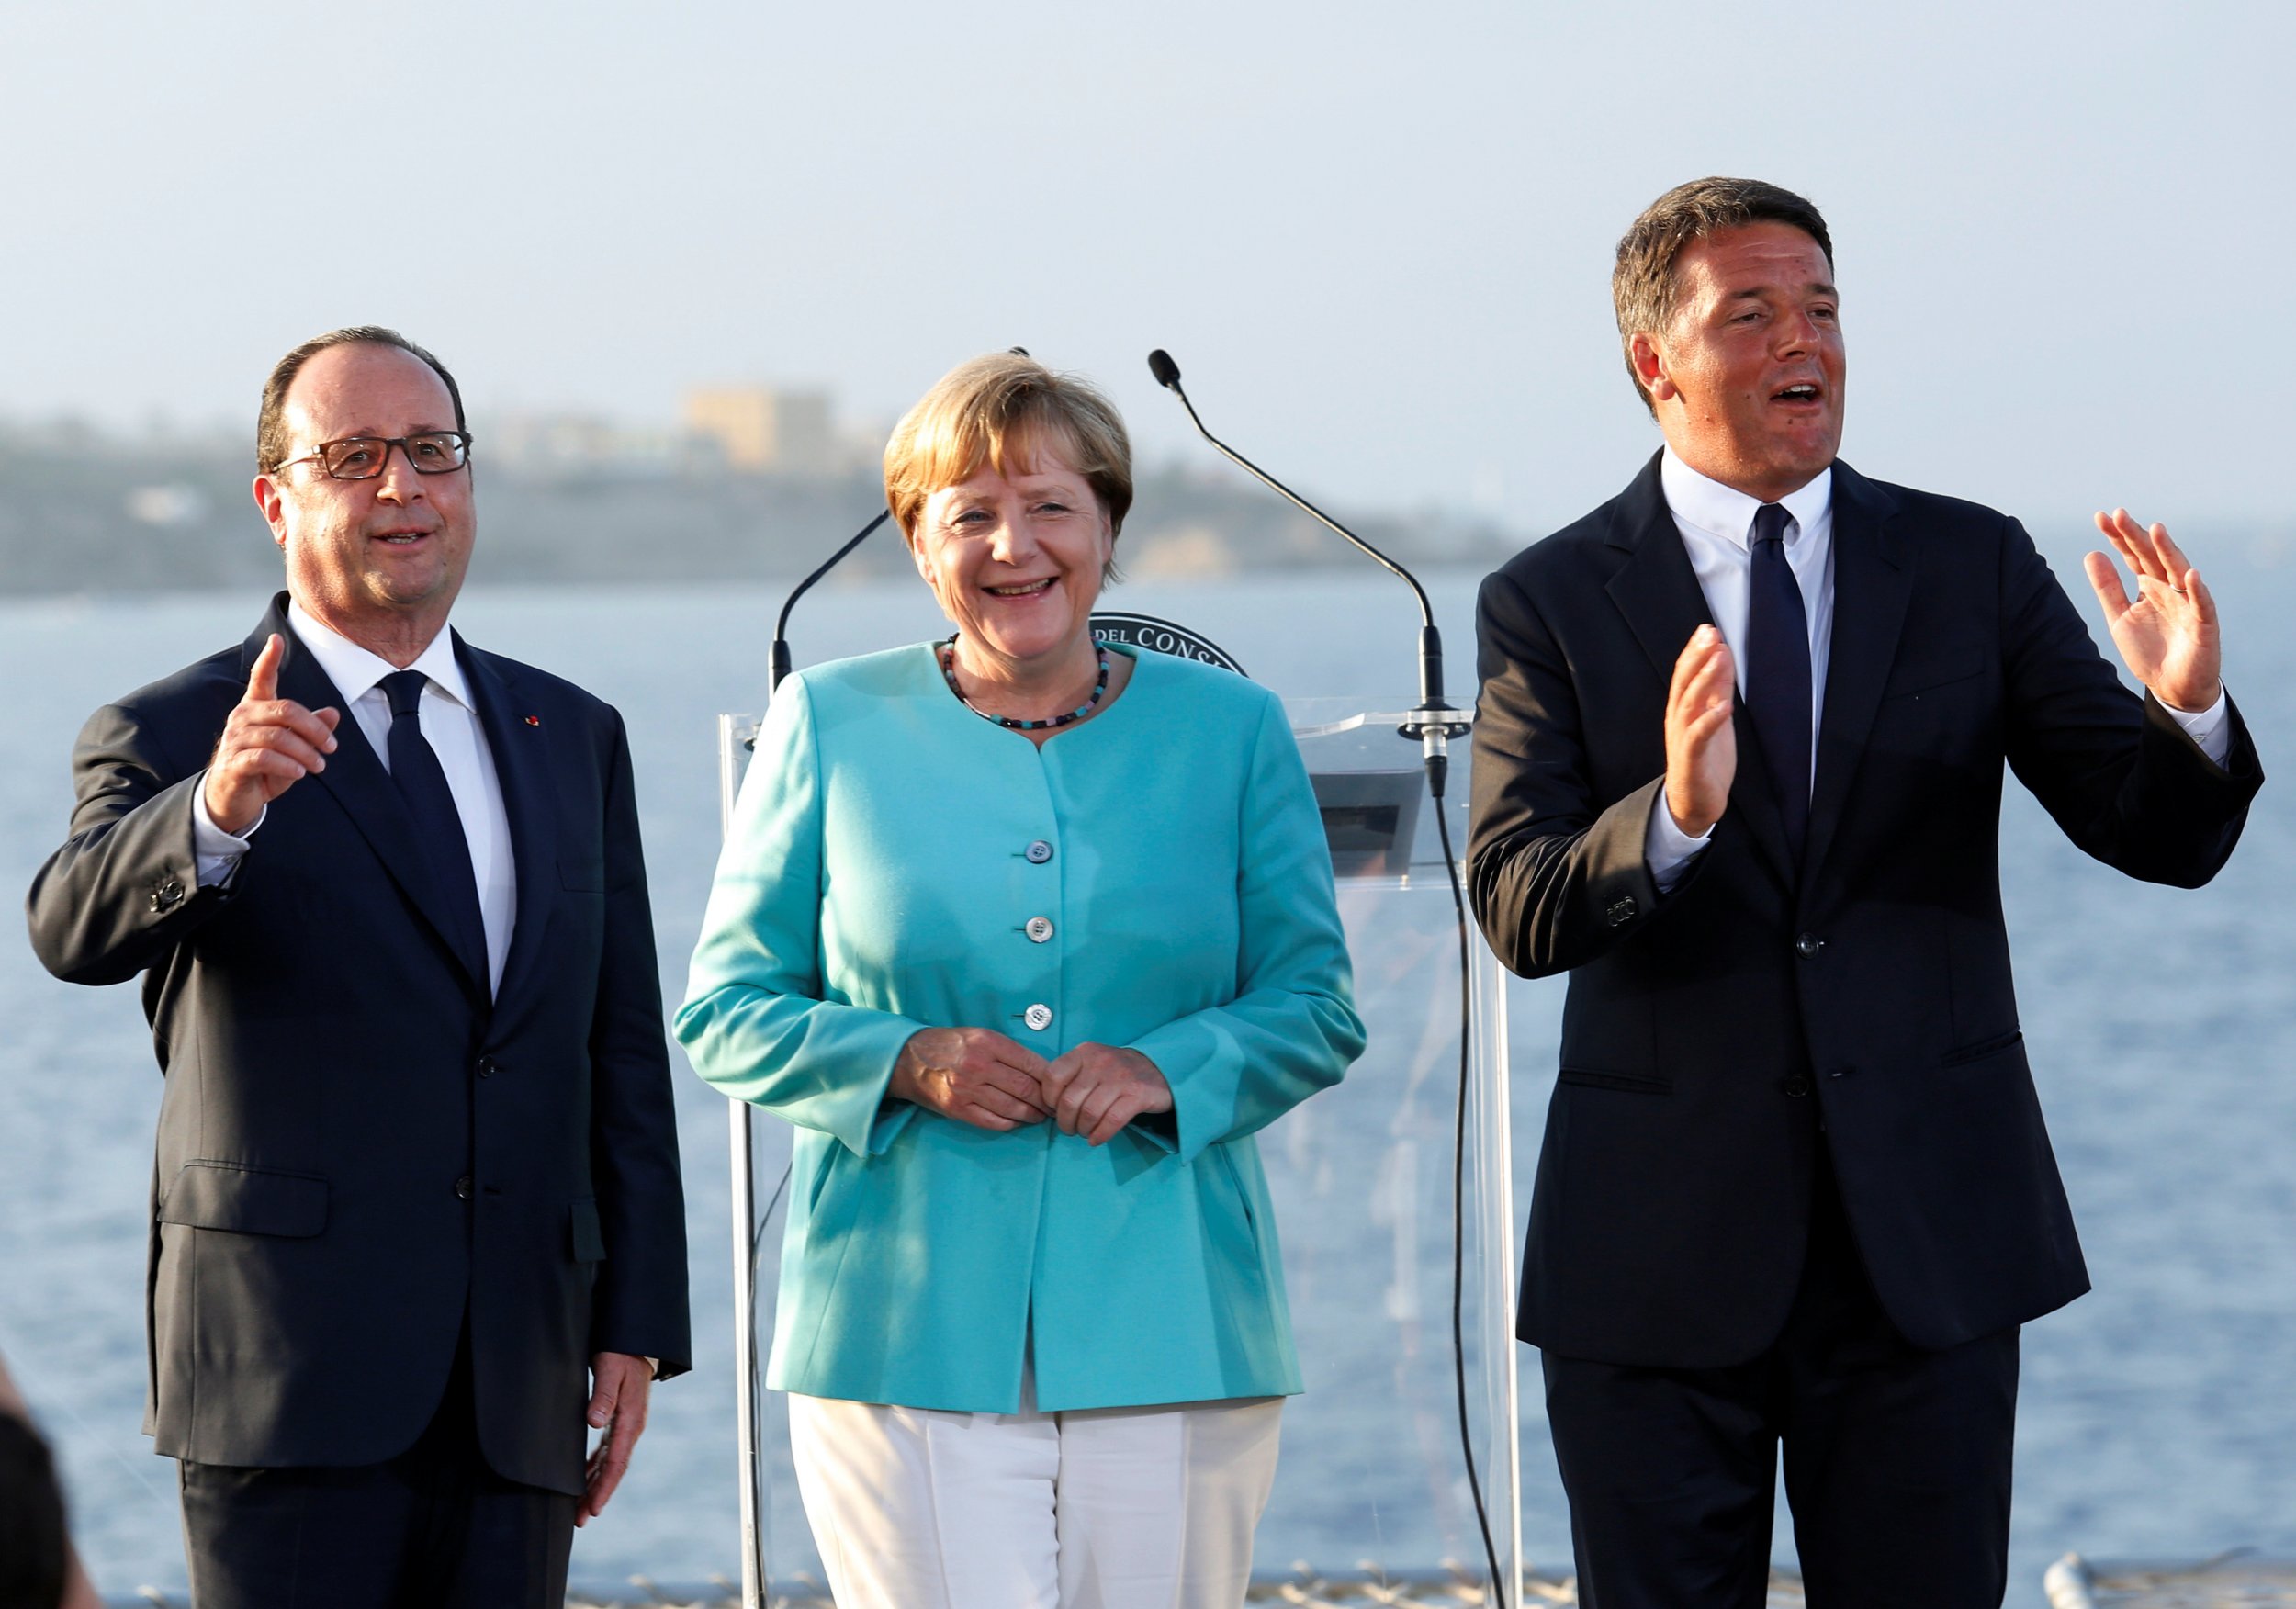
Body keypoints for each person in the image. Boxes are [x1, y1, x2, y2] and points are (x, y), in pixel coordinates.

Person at [1468, 178, 2262, 1608]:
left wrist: (2188, 714)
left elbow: (2156, 833)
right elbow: (1519, 905)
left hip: (1929, 1249)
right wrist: (1675, 820)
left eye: (1822, 308)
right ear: (1657, 362)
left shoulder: (1969, 562)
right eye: (1754, 314)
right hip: (1654, 1262)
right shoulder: (1549, 599)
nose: (1805, 344)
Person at [676, 351, 1365, 1609]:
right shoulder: (827, 723)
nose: (1016, 545)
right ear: (916, 537)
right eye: (972, 511)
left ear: (1108, 525)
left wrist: (1172, 1067)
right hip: (898, 1320)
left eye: (1051, 506)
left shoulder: (1235, 731)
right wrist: (901, 1058)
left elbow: (1316, 1006)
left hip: (1176, 1316)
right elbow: (723, 1009)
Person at [26, 327, 691, 1608]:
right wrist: (212, 814)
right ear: (279, 501)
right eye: (353, 457)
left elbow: (618, 1047)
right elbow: (69, 927)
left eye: (432, 452)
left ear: (470, 484)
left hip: (519, 1380)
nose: (402, 488)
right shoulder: (174, 730)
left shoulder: (571, 733)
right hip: (285, 1381)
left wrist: (637, 1321)